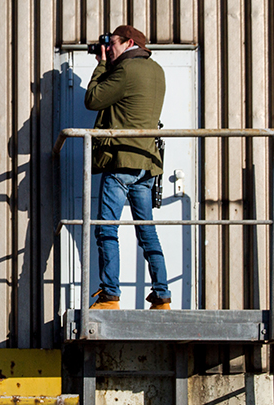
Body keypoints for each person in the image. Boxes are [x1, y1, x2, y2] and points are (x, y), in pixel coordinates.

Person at [84, 25, 170, 310]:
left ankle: (110, 295)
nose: (110, 48)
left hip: (121, 162)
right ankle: (162, 296)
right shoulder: (156, 70)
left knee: (106, 229)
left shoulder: (125, 71)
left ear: (129, 42)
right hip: (146, 163)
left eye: (113, 44)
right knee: (147, 231)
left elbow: (93, 100)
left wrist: (102, 65)